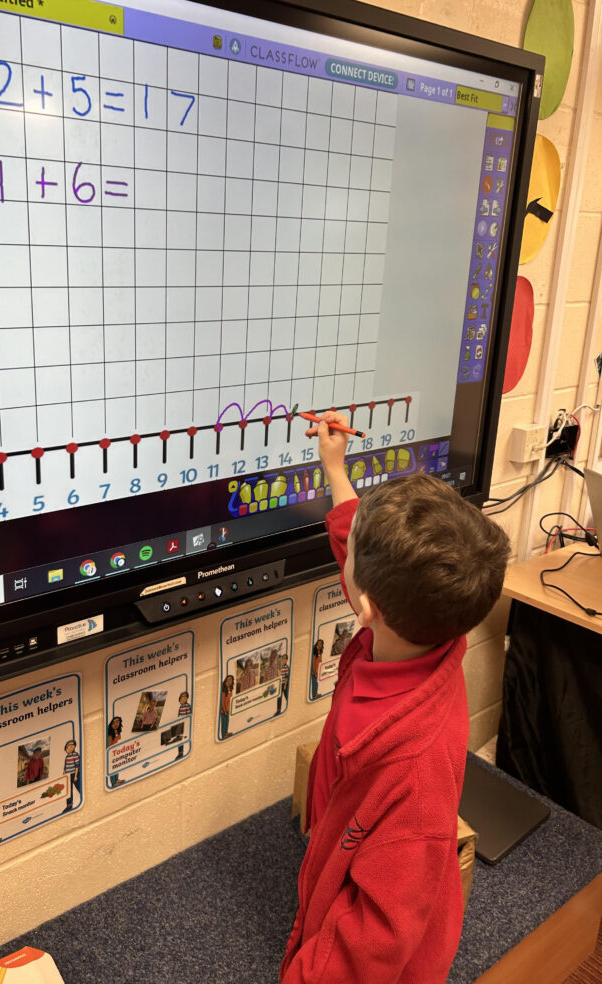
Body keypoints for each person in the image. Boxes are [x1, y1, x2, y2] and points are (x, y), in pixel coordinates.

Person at [281, 410, 510, 984]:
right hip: (346, 846)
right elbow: (356, 543)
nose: (345, 553)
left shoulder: (414, 771)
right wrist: (334, 467)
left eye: (350, 557)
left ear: (368, 607)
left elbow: (381, 935)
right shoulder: (424, 625)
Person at [63, 739, 81, 810]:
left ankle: (84, 796)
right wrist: (64, 773)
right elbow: (65, 766)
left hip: (74, 774)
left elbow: (77, 765)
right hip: (68, 775)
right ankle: (69, 804)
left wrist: (76, 775)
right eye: (67, 747)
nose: (69, 749)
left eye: (71, 747)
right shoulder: (67, 756)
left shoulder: (75, 755)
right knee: (69, 790)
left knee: (79, 786)